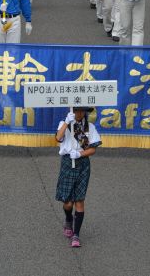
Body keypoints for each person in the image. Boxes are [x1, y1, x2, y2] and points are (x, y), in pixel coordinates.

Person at [55, 106, 100, 248]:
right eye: (76, 111)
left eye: (81, 111)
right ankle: (68, 219)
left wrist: (80, 154)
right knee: (68, 202)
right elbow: (58, 137)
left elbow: (92, 149)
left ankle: (76, 234)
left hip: (82, 164)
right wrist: (67, 123)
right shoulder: (65, 123)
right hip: (68, 163)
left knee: (79, 201)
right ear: (71, 112)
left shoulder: (90, 127)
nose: (79, 113)